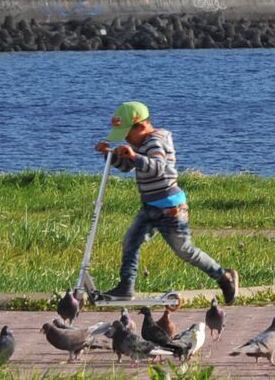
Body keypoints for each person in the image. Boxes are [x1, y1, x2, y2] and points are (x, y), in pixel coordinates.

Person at [93, 101, 238, 304]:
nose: (125, 138)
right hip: (150, 208)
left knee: (185, 250)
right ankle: (126, 287)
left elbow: (158, 167)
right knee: (131, 242)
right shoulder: (140, 143)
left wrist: (134, 156)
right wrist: (110, 155)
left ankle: (224, 277)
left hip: (170, 209)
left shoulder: (155, 141)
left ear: (141, 127)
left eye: (126, 133)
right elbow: (128, 166)